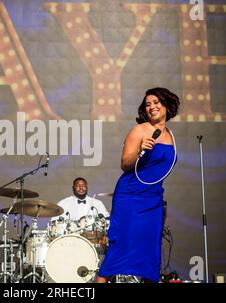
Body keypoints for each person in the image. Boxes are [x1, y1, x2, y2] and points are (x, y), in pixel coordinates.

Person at [96, 87, 179, 283]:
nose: (152, 107)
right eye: (148, 104)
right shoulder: (139, 130)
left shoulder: (169, 135)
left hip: (153, 201)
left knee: (151, 252)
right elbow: (125, 163)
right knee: (121, 248)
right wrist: (140, 150)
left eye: (156, 102)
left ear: (167, 105)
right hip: (131, 196)